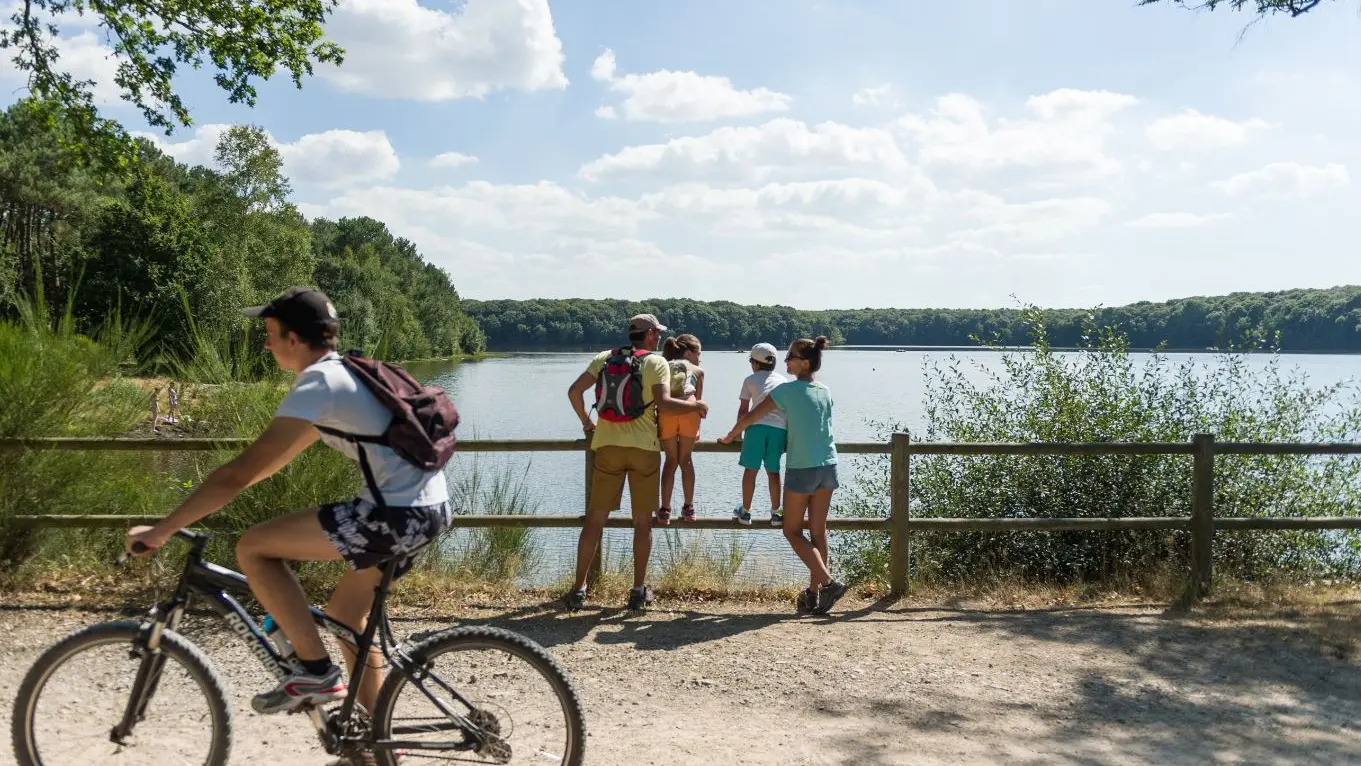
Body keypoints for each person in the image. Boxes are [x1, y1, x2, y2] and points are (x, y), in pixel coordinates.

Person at [126, 287, 453, 727]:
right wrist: (201, 504)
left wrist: (163, 529)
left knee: (254, 548)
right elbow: (264, 468)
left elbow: (238, 474)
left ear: (295, 339)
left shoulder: (319, 381)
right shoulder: (343, 376)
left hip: (392, 515)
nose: (265, 344)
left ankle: (316, 674)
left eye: (270, 333)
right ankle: (378, 746)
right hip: (426, 510)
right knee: (345, 618)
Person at [565, 314, 709, 611]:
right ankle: (637, 590)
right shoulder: (655, 363)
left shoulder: (605, 358)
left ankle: (579, 589)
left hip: (606, 445)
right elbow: (666, 403)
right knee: (643, 523)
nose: (657, 337)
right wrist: (698, 405)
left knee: (595, 521)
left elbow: (574, 391)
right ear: (650, 335)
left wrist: (586, 423)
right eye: (656, 333)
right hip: (644, 448)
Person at [719, 336, 847, 615]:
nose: (785, 360)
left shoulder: (786, 392)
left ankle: (827, 583)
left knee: (791, 530)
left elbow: (751, 416)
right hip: (829, 466)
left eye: (790, 356)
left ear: (804, 362)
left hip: (803, 468)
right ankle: (814, 595)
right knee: (818, 532)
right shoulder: (825, 390)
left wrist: (731, 435)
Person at [730, 342, 787, 526]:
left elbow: (743, 410)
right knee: (774, 471)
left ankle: (745, 511)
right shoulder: (784, 381)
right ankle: (776, 512)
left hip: (755, 428)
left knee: (750, 470)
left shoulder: (750, 380)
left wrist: (737, 434)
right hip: (779, 429)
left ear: (755, 364)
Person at [659, 334, 705, 523]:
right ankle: (688, 508)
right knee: (685, 461)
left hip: (667, 413)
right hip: (690, 413)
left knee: (670, 461)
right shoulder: (698, 371)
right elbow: (699, 403)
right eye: (698, 353)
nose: (699, 358)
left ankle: (665, 509)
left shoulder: (663, 367)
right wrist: (698, 429)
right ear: (687, 353)